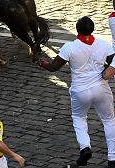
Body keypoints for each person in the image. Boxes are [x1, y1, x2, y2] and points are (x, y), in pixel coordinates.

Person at [39, 16, 115, 167]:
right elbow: (113, 60)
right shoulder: (103, 45)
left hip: (80, 91)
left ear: (77, 30)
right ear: (92, 29)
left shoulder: (70, 47)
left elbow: (54, 67)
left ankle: (85, 147)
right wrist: (108, 70)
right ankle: (112, 158)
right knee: (109, 121)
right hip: (101, 88)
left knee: (79, 118)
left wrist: (42, 62)